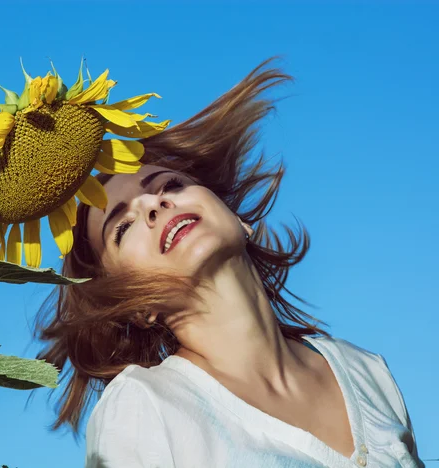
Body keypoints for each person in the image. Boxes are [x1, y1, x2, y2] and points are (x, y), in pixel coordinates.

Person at [34, 59, 424, 467]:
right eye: (124, 226)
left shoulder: (366, 372)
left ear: (239, 218)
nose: (154, 204)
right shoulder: (144, 408)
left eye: (170, 185)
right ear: (135, 305)